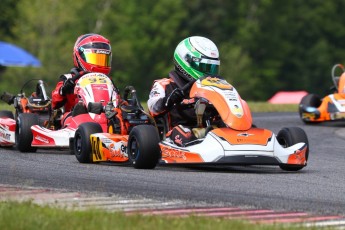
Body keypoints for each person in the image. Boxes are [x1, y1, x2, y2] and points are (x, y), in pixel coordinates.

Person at [147, 36, 220, 146]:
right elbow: (153, 108)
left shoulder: (213, 87)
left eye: (211, 68)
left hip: (209, 130)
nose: (208, 73)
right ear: (185, 61)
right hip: (177, 133)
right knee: (184, 133)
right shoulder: (165, 85)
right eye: (204, 67)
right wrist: (171, 99)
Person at [51, 33, 112, 115]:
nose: (99, 64)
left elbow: (116, 101)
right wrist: (63, 90)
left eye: (102, 59)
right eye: (94, 59)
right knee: (72, 114)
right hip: (73, 119)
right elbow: (54, 102)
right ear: (79, 56)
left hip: (104, 116)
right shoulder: (69, 78)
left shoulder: (108, 82)